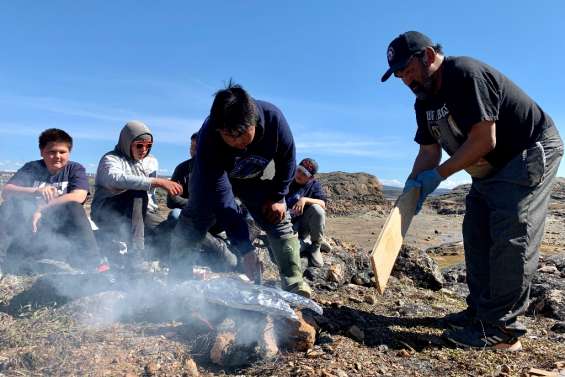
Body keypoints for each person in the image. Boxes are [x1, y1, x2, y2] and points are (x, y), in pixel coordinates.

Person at [381, 31, 563, 351]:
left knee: (511, 229)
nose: (405, 79)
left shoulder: (465, 74)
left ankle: (501, 329)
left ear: (427, 55)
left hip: (528, 150)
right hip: (487, 166)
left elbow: (483, 140)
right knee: (476, 229)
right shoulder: (423, 101)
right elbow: (428, 152)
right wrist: (411, 189)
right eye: (398, 74)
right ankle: (479, 315)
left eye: (407, 69)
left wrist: (437, 177)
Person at [171, 82, 312, 297]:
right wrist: (245, 249)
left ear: (253, 121)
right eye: (229, 137)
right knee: (195, 217)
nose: (237, 144)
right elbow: (223, 200)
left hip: (252, 177)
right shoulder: (209, 138)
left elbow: (287, 159)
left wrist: (278, 196)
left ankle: (293, 279)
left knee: (276, 216)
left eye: (242, 136)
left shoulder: (273, 119)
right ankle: (178, 278)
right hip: (212, 178)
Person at [0, 128, 108, 276]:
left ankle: (93, 264)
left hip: (61, 232)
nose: (57, 156)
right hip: (30, 231)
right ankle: (3, 261)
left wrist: (41, 208)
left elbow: (79, 196)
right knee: (9, 206)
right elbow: (7, 191)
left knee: (73, 207)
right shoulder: (32, 168)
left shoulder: (74, 169)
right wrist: (36, 191)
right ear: (42, 152)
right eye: (52, 152)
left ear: (69, 153)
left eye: (62, 152)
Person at [91, 120, 183, 269]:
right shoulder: (111, 159)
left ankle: (212, 254)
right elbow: (115, 179)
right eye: (139, 145)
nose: (144, 150)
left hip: (141, 212)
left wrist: (154, 212)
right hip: (108, 210)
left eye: (148, 146)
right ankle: (136, 255)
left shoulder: (151, 162)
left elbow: (150, 195)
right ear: (127, 142)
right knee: (137, 192)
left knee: (170, 228)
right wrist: (156, 181)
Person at [286, 158, 329, 267]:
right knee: (287, 252)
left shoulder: (314, 185)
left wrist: (304, 199)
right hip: (287, 225)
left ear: (310, 177)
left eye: (304, 173)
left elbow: (323, 203)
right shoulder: (287, 179)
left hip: (302, 225)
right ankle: (306, 243)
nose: (299, 174)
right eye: (299, 170)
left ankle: (315, 246)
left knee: (317, 209)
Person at [167, 132, 198, 220]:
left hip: (213, 216)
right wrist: (198, 205)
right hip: (189, 213)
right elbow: (171, 200)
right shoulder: (182, 168)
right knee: (175, 214)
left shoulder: (218, 169)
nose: (193, 150)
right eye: (192, 147)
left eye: (197, 148)